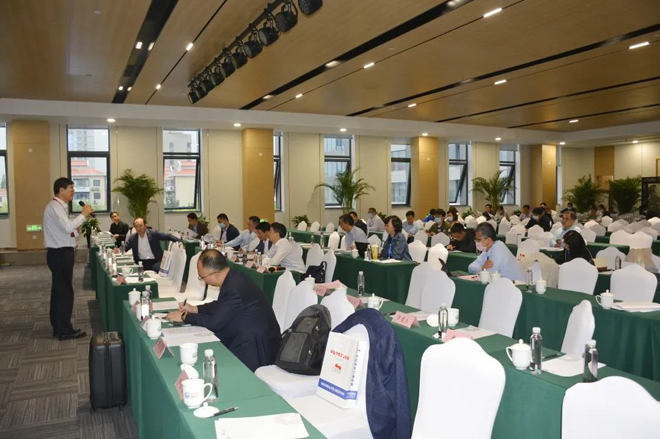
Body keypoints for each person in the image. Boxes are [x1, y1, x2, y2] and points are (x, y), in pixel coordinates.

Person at [167, 249, 280, 372]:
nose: (202, 280)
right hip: (246, 332)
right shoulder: (233, 277)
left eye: (202, 277)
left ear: (214, 274)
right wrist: (195, 309)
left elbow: (215, 323)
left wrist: (185, 316)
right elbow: (222, 306)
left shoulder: (233, 287)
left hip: (255, 344)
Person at [44, 177, 93, 340]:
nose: (73, 191)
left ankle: (58, 326)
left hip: (60, 253)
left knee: (59, 291)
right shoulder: (56, 207)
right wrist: (83, 215)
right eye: (71, 188)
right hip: (60, 254)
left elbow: (66, 231)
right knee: (64, 292)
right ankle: (64, 329)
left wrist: (76, 228)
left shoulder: (58, 207)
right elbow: (67, 227)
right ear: (61, 190)